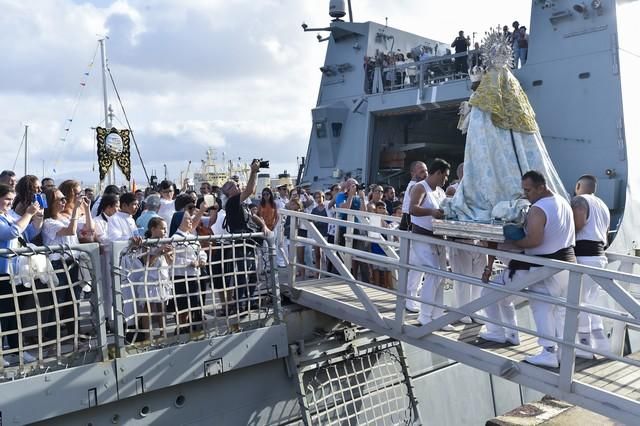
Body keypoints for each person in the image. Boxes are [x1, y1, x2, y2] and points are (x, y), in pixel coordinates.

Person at [508, 171, 576, 368]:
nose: (525, 194)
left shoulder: (538, 208)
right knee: (561, 311)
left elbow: (534, 241)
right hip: (568, 264)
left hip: (546, 267)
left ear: (541, 187)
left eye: (528, 190)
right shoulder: (563, 202)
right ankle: (564, 354)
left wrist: (512, 241)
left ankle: (548, 352)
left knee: (542, 308)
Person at [408, 159, 452, 331]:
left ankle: (438, 316)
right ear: (438, 172)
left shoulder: (440, 191)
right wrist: (431, 212)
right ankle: (425, 315)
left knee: (441, 278)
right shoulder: (420, 187)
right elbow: (413, 209)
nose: (446, 180)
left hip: (439, 238)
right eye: (445, 176)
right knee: (434, 274)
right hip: (423, 237)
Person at [0, 183, 41, 366]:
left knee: (13, 314)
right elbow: (11, 232)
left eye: (11, 199)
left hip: (13, 273)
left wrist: (37, 219)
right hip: (2, 273)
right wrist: (29, 214)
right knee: (3, 315)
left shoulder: (8, 216)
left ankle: (17, 350)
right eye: (7, 199)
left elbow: (28, 233)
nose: (10, 203)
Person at [571, 174, 611, 358]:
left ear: (578, 185)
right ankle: (601, 343)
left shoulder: (579, 200)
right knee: (591, 301)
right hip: (600, 257)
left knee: (580, 302)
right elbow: (606, 234)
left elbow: (577, 226)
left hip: (584, 256)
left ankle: (585, 345)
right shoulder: (603, 205)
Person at [42, 187, 90, 336]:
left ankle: (74, 334)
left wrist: (86, 210)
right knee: (58, 301)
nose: (64, 202)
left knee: (74, 300)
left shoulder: (65, 218)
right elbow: (70, 230)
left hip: (72, 262)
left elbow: (88, 228)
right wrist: (75, 209)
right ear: (51, 203)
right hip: (58, 264)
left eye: (64, 199)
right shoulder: (48, 222)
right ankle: (50, 338)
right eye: (60, 199)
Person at [137, 217, 174, 340]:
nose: (165, 231)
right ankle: (148, 336)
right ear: (153, 229)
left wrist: (168, 254)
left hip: (162, 278)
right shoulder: (147, 243)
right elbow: (147, 262)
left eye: (166, 228)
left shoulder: (167, 242)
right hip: (150, 279)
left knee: (161, 309)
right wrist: (159, 251)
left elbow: (170, 262)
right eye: (162, 228)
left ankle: (163, 334)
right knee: (148, 309)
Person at [401, 161, 428, 230]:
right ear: (413, 173)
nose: (426, 174)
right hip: (409, 220)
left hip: (412, 219)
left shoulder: (420, 185)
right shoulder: (414, 186)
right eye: (422, 172)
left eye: (426, 171)